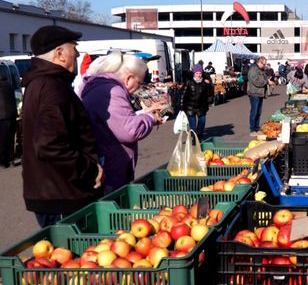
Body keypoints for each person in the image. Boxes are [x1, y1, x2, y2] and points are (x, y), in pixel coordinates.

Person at [21, 25, 104, 227]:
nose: (76, 54)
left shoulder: (45, 83)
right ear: (59, 54)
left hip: (56, 191)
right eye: (73, 49)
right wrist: (89, 170)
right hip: (61, 196)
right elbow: (50, 144)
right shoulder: (51, 87)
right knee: (70, 254)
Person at [80, 52, 163, 194]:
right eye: (139, 83)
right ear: (129, 78)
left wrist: (142, 114)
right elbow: (129, 131)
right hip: (110, 167)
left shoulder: (96, 86)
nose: (138, 88)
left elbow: (116, 121)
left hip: (102, 160)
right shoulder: (112, 91)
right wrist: (149, 118)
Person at [181, 64, 214, 140]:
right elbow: (183, 94)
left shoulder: (205, 83)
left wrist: (209, 85)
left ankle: (199, 137)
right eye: (197, 73)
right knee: (193, 126)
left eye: (200, 73)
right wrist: (182, 106)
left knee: (202, 122)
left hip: (201, 106)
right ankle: (194, 138)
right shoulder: (189, 82)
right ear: (194, 73)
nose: (198, 75)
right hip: (190, 107)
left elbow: (210, 93)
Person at [247, 56, 270, 136]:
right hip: (254, 93)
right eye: (264, 64)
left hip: (260, 93)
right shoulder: (253, 69)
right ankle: (252, 130)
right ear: (260, 62)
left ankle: (257, 128)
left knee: (259, 112)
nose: (265, 66)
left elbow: (264, 78)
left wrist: (268, 80)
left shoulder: (261, 70)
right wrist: (266, 82)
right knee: (254, 112)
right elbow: (256, 81)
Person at [0, 72, 17, 168]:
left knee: (2, 140)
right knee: (10, 139)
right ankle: (11, 160)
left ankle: (3, 161)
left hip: (2, 117)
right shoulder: (9, 85)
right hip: (12, 115)